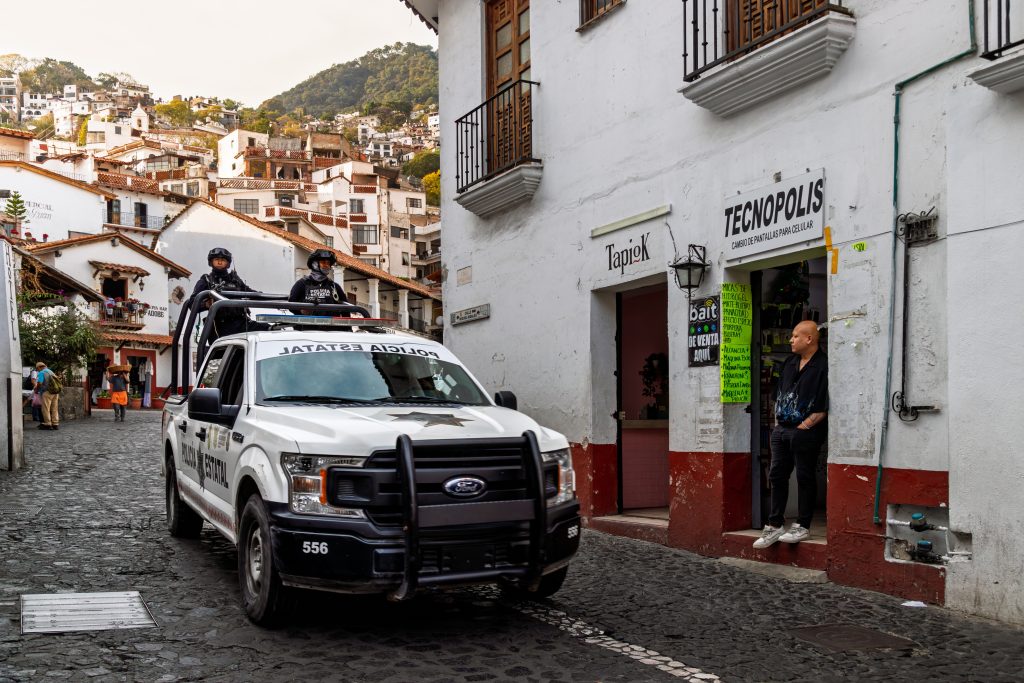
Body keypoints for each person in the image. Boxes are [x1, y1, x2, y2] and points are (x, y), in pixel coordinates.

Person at [753, 320, 828, 549]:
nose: (790, 339)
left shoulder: (823, 365)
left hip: (806, 431)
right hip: (782, 430)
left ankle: (802, 525)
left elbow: (824, 405)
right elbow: (780, 394)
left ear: (809, 339)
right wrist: (778, 426)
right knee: (777, 475)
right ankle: (775, 526)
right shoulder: (789, 362)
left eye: (795, 336)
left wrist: (803, 427)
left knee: (804, 477)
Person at [188, 247, 261, 341]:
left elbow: (251, 293)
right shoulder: (206, 281)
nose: (219, 262)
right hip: (220, 326)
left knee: (271, 329)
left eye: (223, 260)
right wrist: (206, 304)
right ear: (211, 262)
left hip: (242, 323)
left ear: (228, 263)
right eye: (217, 259)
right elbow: (192, 304)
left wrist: (272, 299)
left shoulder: (235, 280)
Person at [35, 362, 60, 431]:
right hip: (55, 392)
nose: (37, 371)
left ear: (39, 367)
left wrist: (37, 389)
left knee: (46, 408)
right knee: (54, 408)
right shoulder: (51, 371)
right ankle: (55, 424)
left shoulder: (42, 373)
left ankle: (48, 424)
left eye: (37, 369)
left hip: (47, 392)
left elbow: (40, 383)